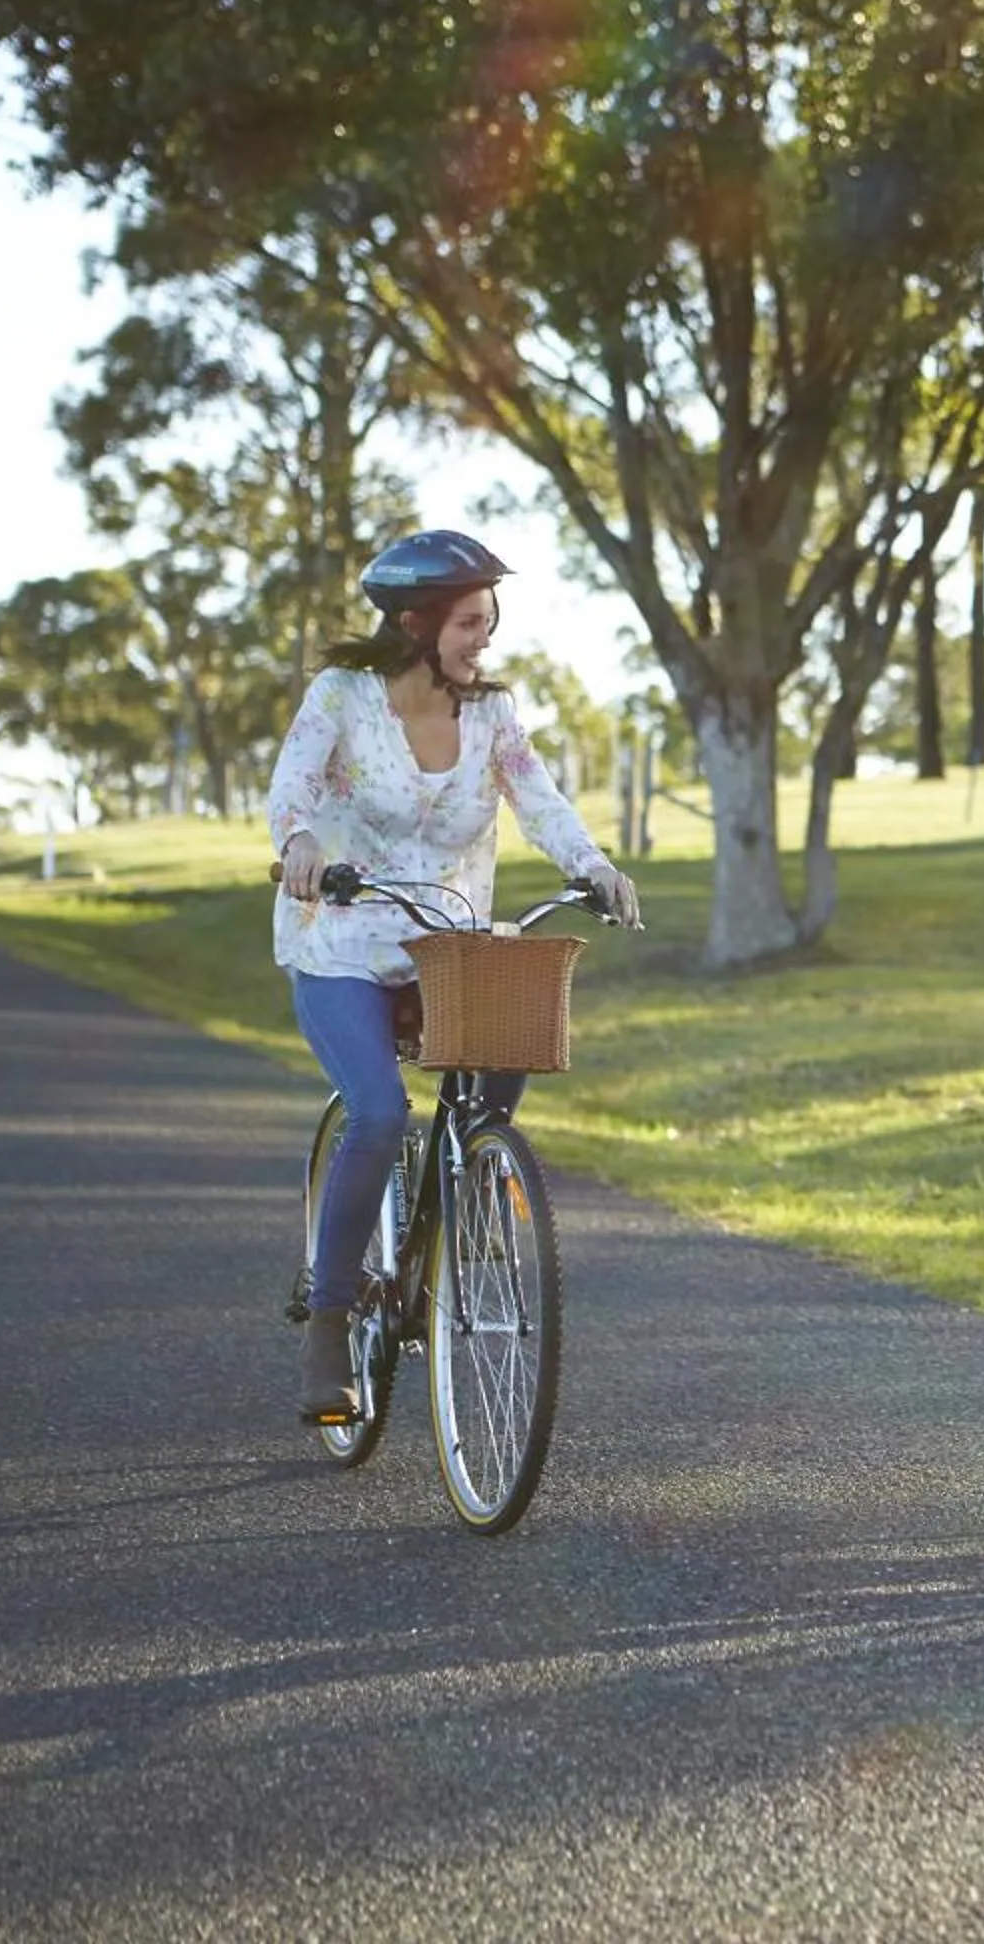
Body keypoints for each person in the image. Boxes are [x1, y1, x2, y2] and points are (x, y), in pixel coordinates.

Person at [268, 529, 640, 1422]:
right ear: (414, 622)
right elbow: (293, 788)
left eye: (490, 620)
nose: (485, 638)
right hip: (344, 942)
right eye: (471, 621)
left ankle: (464, 1201)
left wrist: (592, 864)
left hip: (448, 942)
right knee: (380, 1111)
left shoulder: (494, 716)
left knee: (507, 1034)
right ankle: (330, 1318)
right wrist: (302, 846)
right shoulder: (344, 699)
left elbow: (538, 797)